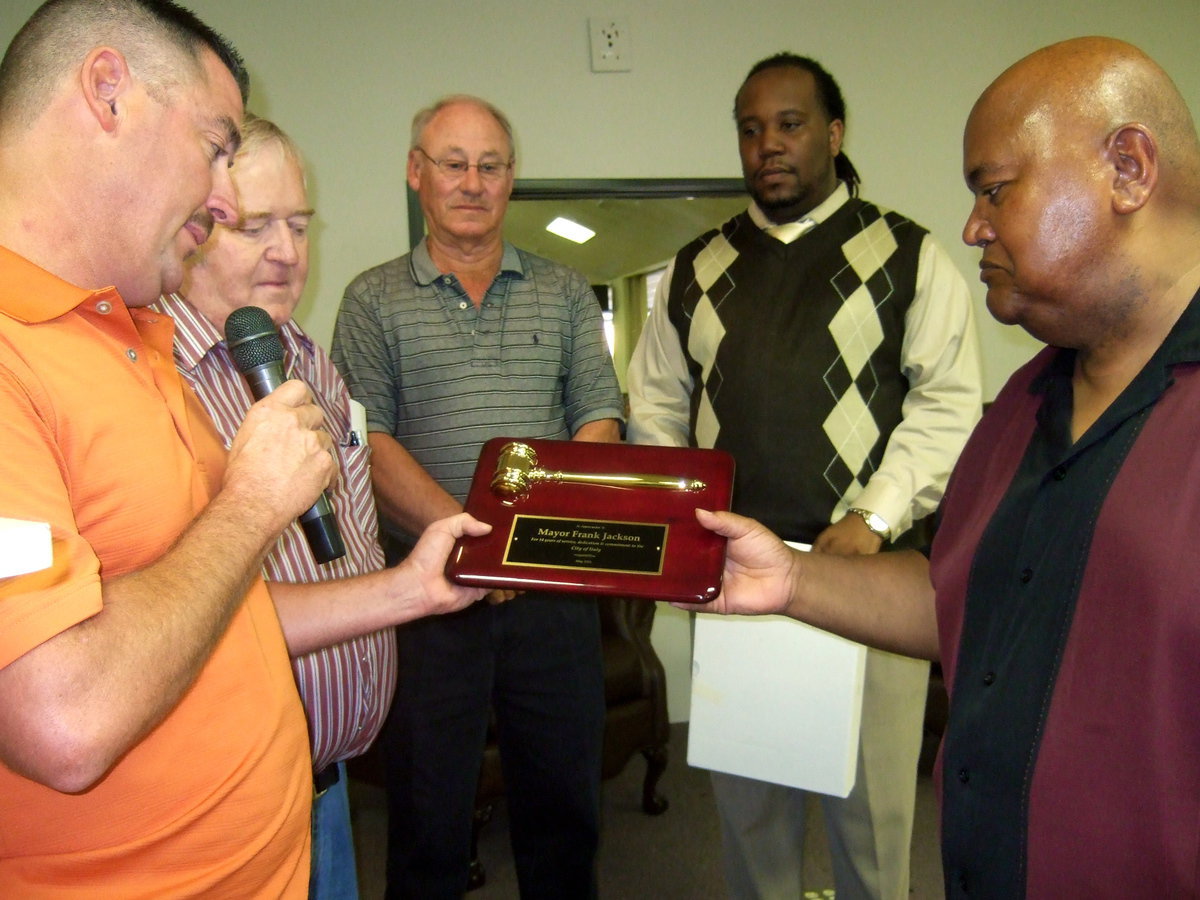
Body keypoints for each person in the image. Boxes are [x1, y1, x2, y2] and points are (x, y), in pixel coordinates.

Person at [691, 36, 1200, 898]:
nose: (973, 226)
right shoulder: (1018, 413)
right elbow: (959, 596)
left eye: (995, 189)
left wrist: (868, 517)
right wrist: (791, 579)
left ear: (1128, 168)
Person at [0, 2, 485, 895]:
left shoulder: (126, 335)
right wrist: (252, 503)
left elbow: (211, 607)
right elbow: (61, 719)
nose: (223, 200)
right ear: (107, 92)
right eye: (216, 146)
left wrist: (409, 589)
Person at [626, 53, 981, 900]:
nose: (767, 145)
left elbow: (948, 406)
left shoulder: (909, 257)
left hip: (868, 581)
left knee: (873, 829)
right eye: (750, 130)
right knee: (753, 827)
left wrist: (874, 516)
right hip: (738, 585)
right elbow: (657, 412)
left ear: (834, 131)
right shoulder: (693, 269)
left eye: (788, 124)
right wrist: (682, 530)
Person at [331, 94, 624, 898]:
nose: (472, 182)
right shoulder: (372, 299)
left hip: (551, 595)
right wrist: (471, 539)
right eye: (452, 163)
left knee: (565, 812)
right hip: (429, 598)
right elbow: (368, 440)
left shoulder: (566, 292)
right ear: (416, 172)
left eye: (490, 165)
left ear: (511, 179)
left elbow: (600, 417)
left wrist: (526, 541)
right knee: (427, 817)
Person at [155, 114, 427, 899]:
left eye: (299, 225)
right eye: (254, 227)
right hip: (224, 793)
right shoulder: (155, 379)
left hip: (328, 781)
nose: (288, 251)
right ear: (195, 224)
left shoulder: (309, 359)